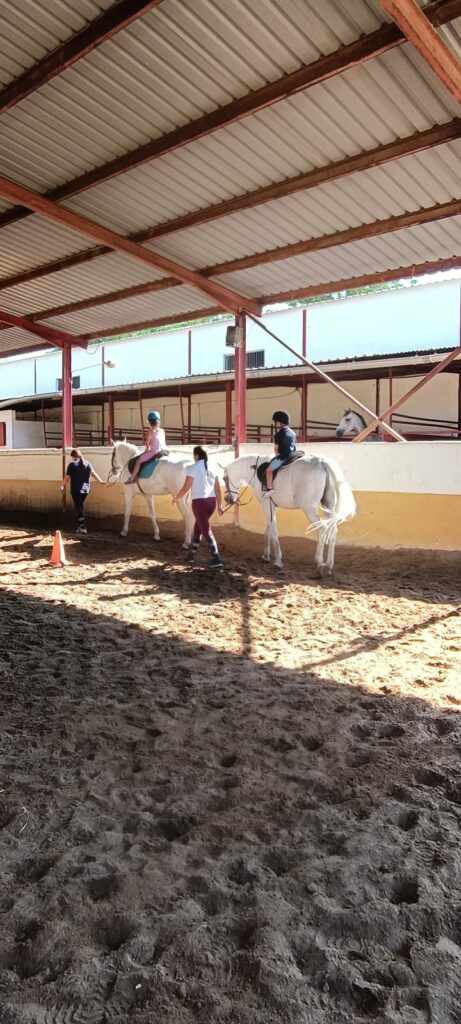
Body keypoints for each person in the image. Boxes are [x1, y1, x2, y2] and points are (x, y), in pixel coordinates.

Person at [173, 446, 224, 568]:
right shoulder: (214, 467)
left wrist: (176, 497)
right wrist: (220, 505)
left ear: (196, 456)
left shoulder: (193, 468)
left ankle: (216, 558)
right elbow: (217, 490)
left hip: (199, 503)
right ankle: (191, 554)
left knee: (206, 530)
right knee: (199, 527)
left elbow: (186, 488)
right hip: (211, 502)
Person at [61, 448, 105, 533]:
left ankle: (82, 527)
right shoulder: (87, 463)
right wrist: (100, 481)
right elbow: (93, 473)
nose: (73, 459)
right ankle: (81, 526)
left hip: (76, 489)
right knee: (79, 506)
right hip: (85, 490)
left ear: (73, 457)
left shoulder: (72, 465)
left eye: (73, 458)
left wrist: (62, 485)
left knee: (79, 507)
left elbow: (67, 478)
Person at [126, 411, 166, 484]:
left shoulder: (150, 431)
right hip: (163, 451)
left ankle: (132, 478)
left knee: (138, 461)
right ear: (158, 421)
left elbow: (147, 445)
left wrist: (145, 451)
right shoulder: (162, 431)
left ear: (150, 422)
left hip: (154, 452)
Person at [263, 410, 297, 491]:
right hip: (292, 455)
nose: (275, 424)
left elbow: (276, 449)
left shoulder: (278, 434)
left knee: (268, 470)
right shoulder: (292, 432)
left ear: (280, 422)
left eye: (276, 422)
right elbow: (293, 446)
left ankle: (269, 488)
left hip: (284, 457)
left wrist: (276, 456)